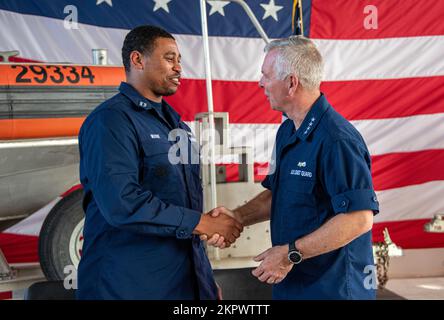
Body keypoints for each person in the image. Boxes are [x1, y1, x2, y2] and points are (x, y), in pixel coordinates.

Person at [203, 36, 380, 300]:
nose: (260, 83)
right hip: (292, 283)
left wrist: (289, 254)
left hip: (333, 290)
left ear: (291, 82)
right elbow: (278, 193)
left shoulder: (337, 140)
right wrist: (238, 217)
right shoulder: (287, 130)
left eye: (266, 75)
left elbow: (359, 218)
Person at [76, 25, 243, 300]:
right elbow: (122, 202)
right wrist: (201, 223)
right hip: (125, 286)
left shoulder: (177, 125)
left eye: (179, 60)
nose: (178, 68)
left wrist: (203, 281)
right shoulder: (111, 121)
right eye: (169, 58)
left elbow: (184, 208)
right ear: (137, 60)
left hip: (180, 283)